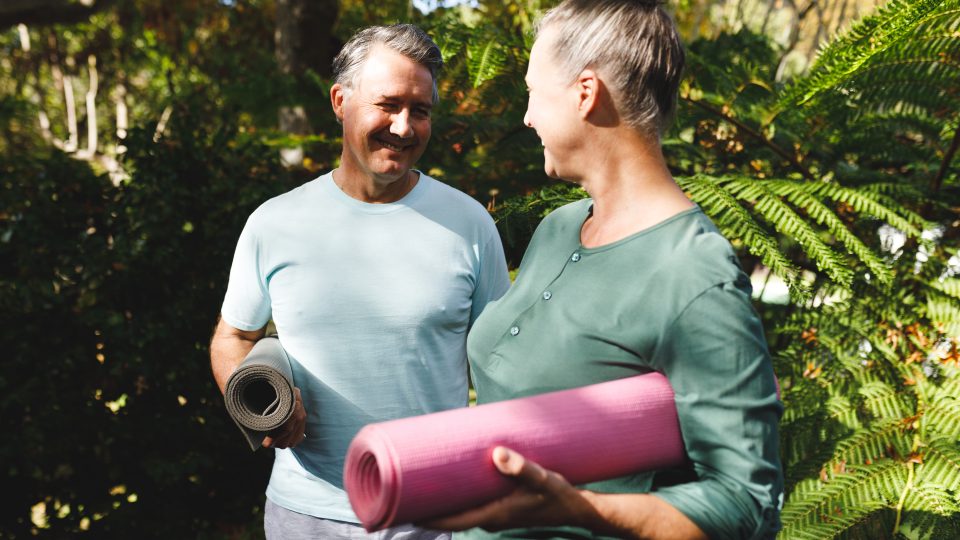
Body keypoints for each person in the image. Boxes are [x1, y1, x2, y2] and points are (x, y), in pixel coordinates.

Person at [425, 1, 783, 539]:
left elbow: (749, 505)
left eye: (532, 92)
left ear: (585, 93)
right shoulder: (558, 228)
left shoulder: (692, 275)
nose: (526, 117)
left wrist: (579, 509)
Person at [210, 24, 511, 539]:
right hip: (304, 517)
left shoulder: (469, 224)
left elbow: (503, 365)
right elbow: (233, 337)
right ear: (339, 101)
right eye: (388, 105)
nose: (404, 126)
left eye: (420, 110)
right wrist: (262, 412)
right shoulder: (274, 223)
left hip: (433, 516)